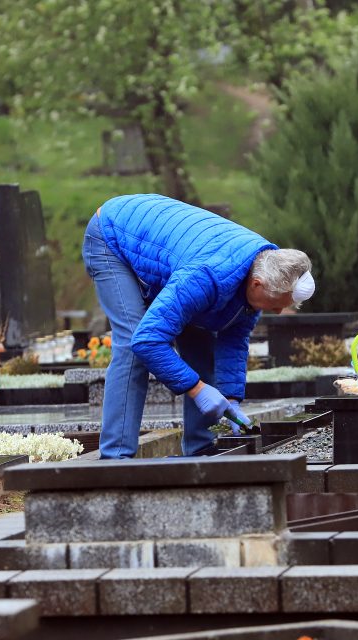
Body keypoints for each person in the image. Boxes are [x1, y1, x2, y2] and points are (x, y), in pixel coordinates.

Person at [82, 193, 315, 459]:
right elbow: (147, 341)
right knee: (133, 345)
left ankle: (200, 448)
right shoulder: (207, 276)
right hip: (114, 237)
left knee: (202, 347)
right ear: (257, 284)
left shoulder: (261, 270)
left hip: (171, 251)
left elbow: (233, 338)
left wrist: (230, 398)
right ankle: (115, 457)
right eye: (276, 303)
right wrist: (197, 389)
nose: (276, 311)